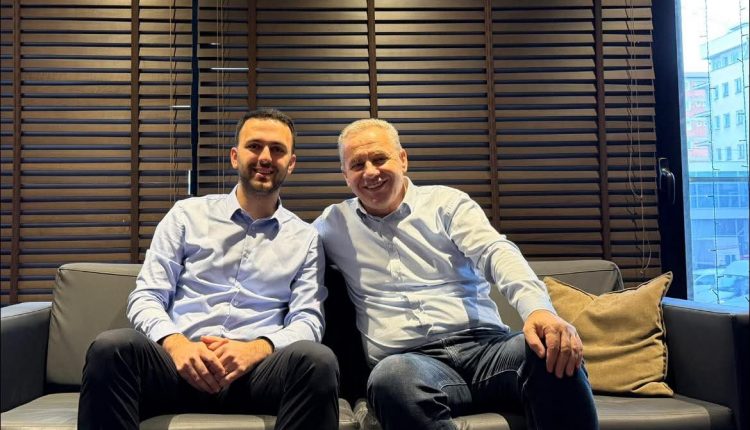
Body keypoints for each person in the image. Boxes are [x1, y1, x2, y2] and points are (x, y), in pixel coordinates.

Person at [314, 118, 598, 430]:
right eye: (357, 165)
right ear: (345, 175)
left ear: (403, 159)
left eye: (380, 159)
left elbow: (495, 251)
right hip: (412, 364)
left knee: (549, 350)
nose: (370, 172)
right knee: (390, 378)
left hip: (488, 349)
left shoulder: (446, 204)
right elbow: (289, 255)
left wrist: (538, 309)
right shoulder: (333, 224)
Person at [78, 109, 339, 430]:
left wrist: (256, 349)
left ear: (291, 163)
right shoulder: (186, 215)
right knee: (111, 348)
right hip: (176, 366)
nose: (265, 157)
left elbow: (308, 321)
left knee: (318, 361)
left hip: (255, 374)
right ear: (235, 156)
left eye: (277, 149)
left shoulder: (305, 238)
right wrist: (176, 344)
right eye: (254, 146)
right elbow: (146, 297)